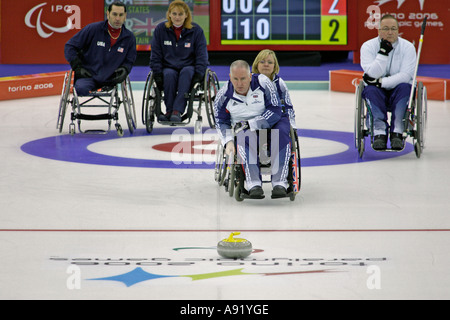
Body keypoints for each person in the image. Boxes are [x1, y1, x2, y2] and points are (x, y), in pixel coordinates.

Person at [214, 60, 292, 199]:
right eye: (235, 79)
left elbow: (275, 109)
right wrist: (228, 141)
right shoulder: (223, 95)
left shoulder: (263, 83)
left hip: (272, 122)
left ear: (250, 76)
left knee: (281, 133)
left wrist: (251, 123)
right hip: (245, 130)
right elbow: (221, 121)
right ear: (230, 77)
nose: (239, 83)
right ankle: (253, 184)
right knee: (245, 137)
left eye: (243, 78)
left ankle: (280, 182)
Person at [360, 14, 416, 150]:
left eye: (393, 29)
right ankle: (379, 132)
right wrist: (383, 52)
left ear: (398, 30)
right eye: (385, 28)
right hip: (377, 91)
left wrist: (380, 82)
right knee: (370, 90)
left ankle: (397, 131)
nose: (390, 32)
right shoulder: (368, 46)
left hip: (398, 89)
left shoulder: (408, 47)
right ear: (378, 30)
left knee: (405, 87)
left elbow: (405, 75)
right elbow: (372, 73)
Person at [150, 0, 208, 123]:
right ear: (169, 14)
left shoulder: (196, 31)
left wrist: (199, 74)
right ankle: (169, 110)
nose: (177, 17)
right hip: (168, 67)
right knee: (169, 75)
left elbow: (202, 55)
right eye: (174, 14)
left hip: (189, 66)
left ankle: (177, 110)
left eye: (180, 14)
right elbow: (155, 54)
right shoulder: (161, 30)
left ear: (186, 15)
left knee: (186, 73)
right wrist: (157, 73)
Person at [64, 1, 137, 96]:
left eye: (121, 15)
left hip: (111, 79)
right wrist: (77, 67)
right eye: (114, 14)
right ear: (108, 14)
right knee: (81, 89)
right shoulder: (92, 29)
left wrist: (125, 69)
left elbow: (130, 59)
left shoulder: (129, 37)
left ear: (125, 16)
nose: (118, 18)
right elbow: (70, 46)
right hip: (87, 77)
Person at [251, 49, 297, 129]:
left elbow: (288, 106)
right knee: (258, 134)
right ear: (256, 65)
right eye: (262, 62)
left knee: (279, 132)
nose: (266, 64)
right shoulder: (248, 81)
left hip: (276, 119)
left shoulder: (279, 83)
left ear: (274, 66)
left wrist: (291, 123)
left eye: (270, 62)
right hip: (254, 118)